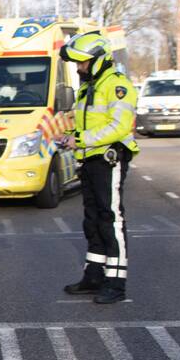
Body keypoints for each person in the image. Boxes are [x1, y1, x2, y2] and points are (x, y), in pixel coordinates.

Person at [57, 32, 139, 304]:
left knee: (110, 219)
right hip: (90, 159)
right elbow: (88, 124)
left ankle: (115, 283)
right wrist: (69, 135)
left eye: (82, 63)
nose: (78, 67)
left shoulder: (117, 85)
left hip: (108, 159)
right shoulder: (88, 87)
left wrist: (79, 139)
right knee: (92, 219)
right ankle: (94, 275)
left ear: (98, 60)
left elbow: (119, 127)